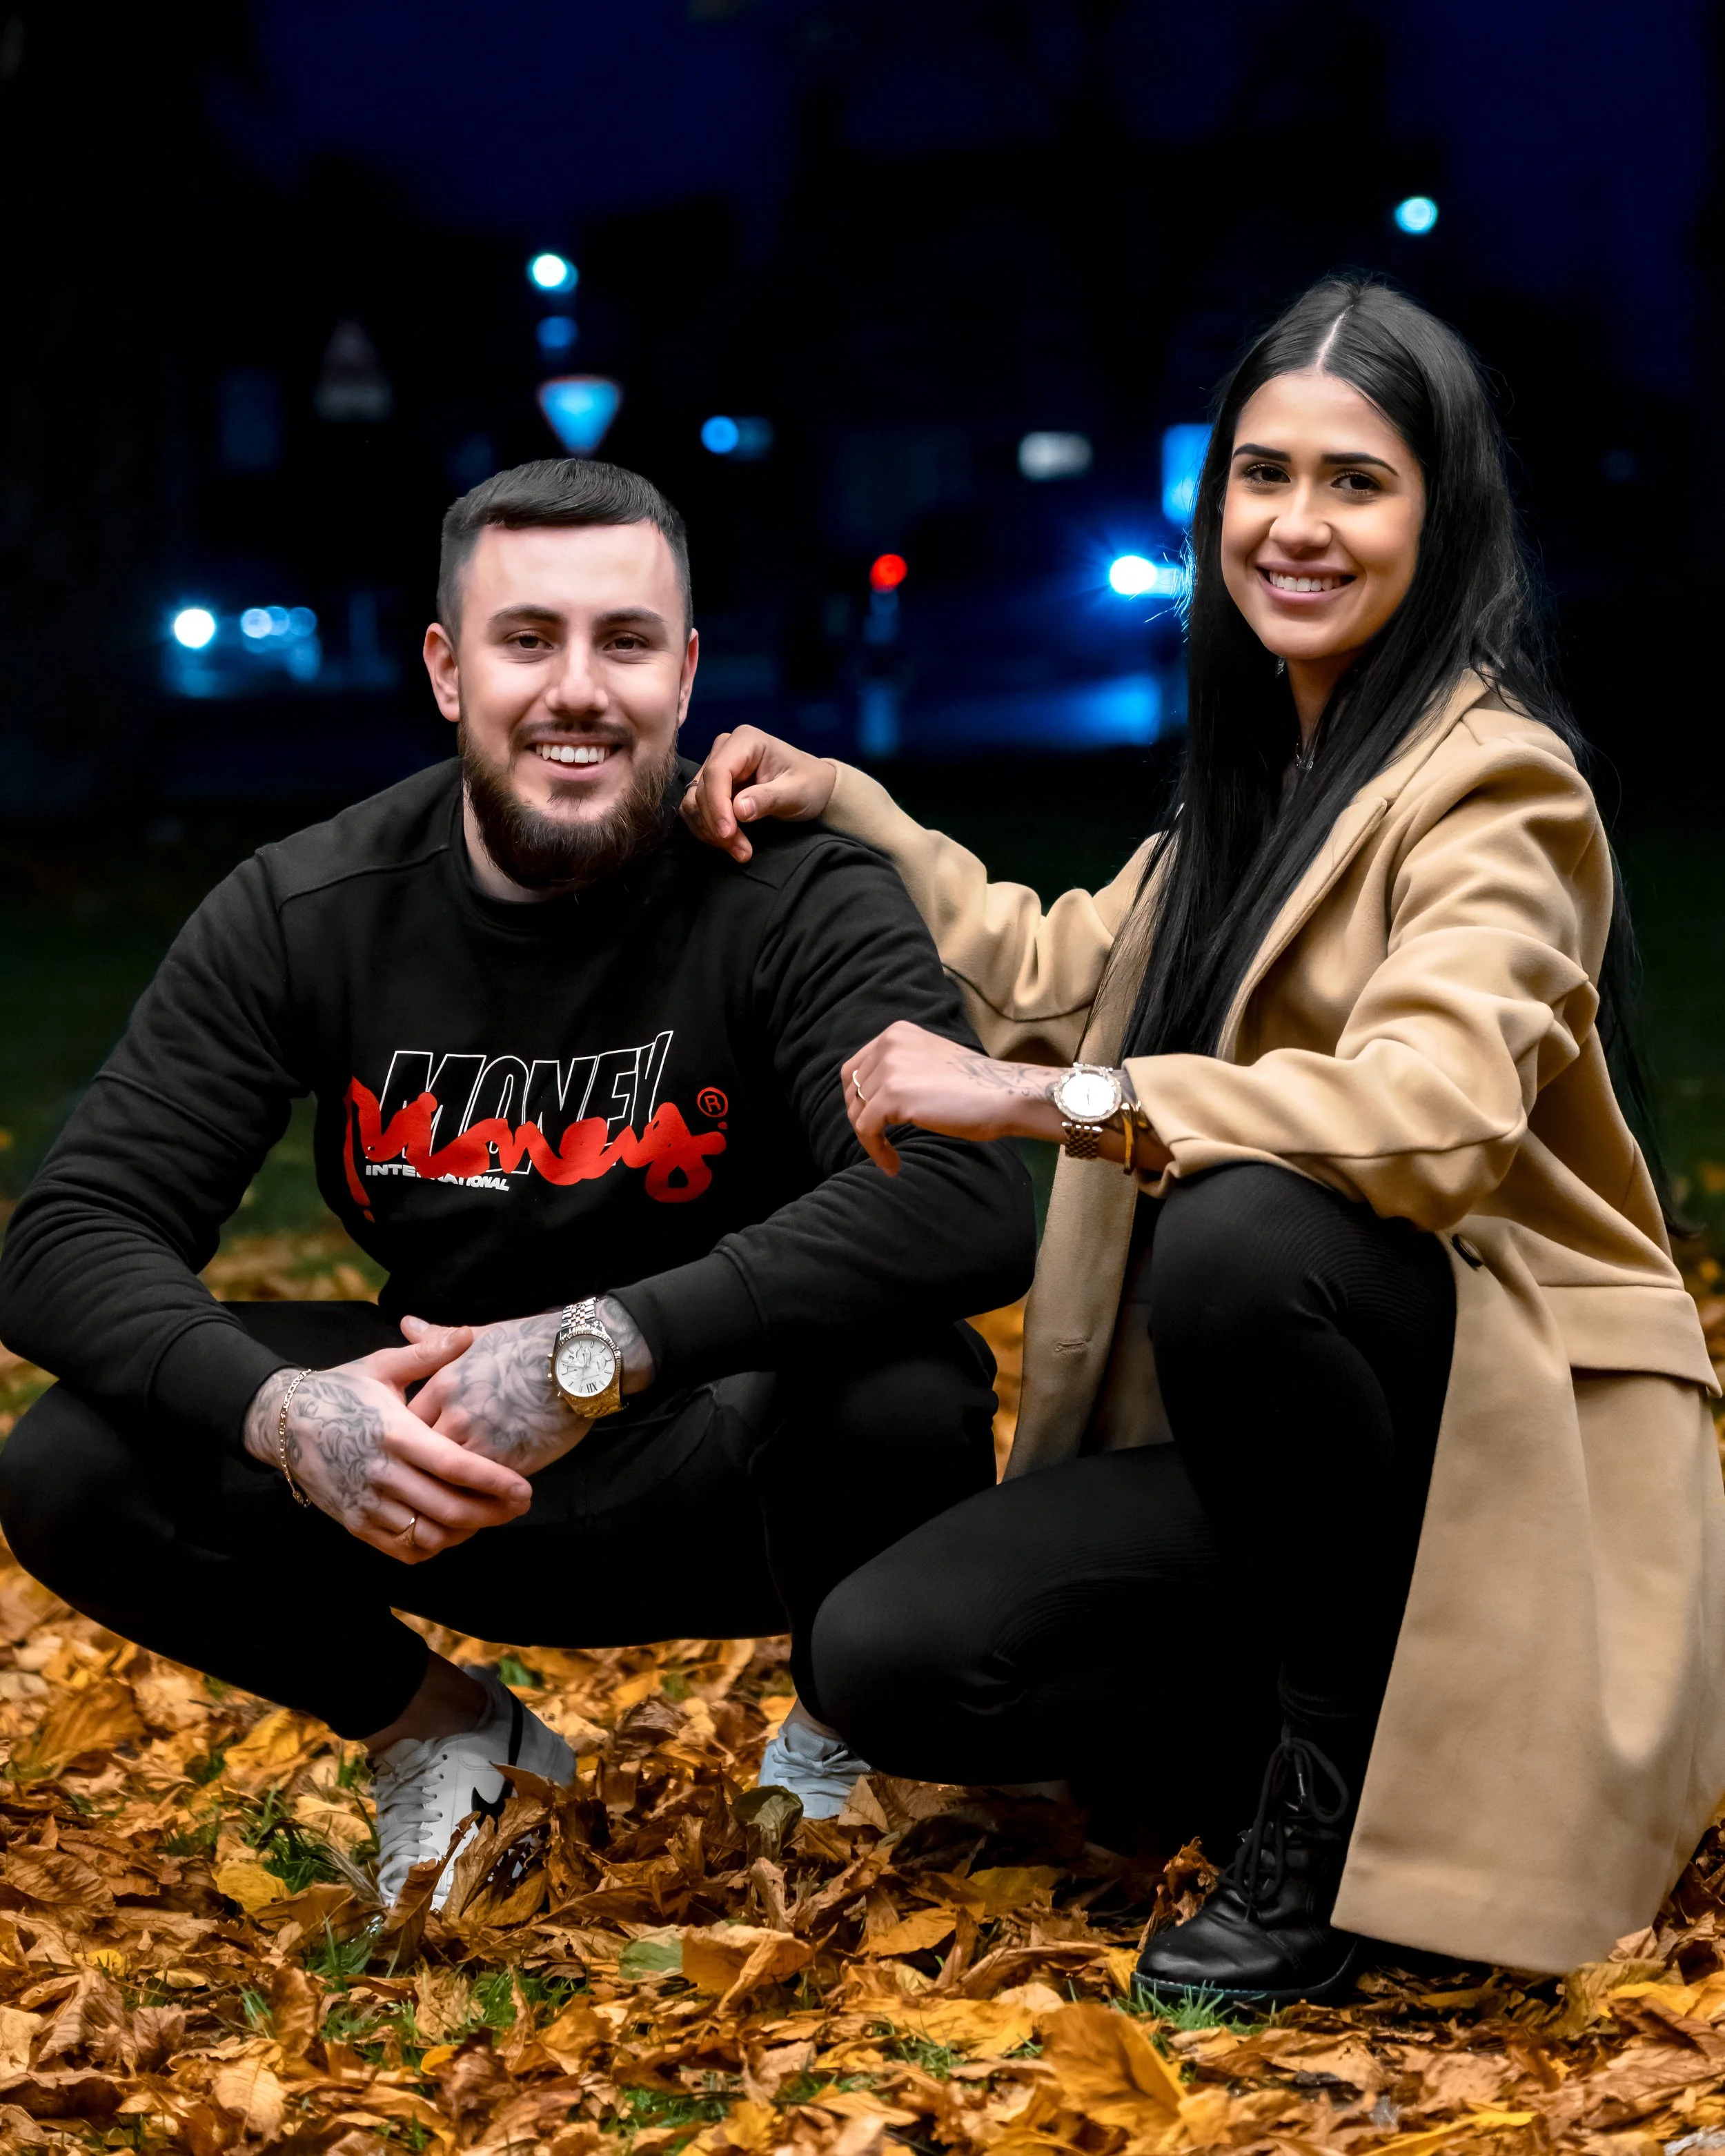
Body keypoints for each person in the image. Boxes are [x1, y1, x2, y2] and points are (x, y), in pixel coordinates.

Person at [682, 275, 1725, 2002]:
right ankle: (1271, 1742)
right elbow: (1045, 970)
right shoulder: (1263, 784)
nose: (1292, 525)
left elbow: (1431, 1112)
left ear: (1437, 517)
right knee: (888, 1655)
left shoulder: (1491, 786)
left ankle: (1317, 1814)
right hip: (1303, 1446)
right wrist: (848, 807)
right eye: (1259, 474)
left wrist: (1045, 1108)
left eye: (1352, 481)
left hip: (1482, 1425)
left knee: (1249, 1230)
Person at [0, 457, 1035, 1904]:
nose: (575, 689)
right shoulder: (307, 904)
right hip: (439, 1475)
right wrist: (284, 1408)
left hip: (734, 1464)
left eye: (622, 642)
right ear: (445, 668)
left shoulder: (794, 888)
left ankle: (846, 1730)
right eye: (525, 638)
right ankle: (447, 1732)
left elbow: (971, 1195)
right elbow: (68, 1228)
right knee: (70, 1459)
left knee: (903, 1384)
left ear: (682, 676)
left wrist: (596, 1346)